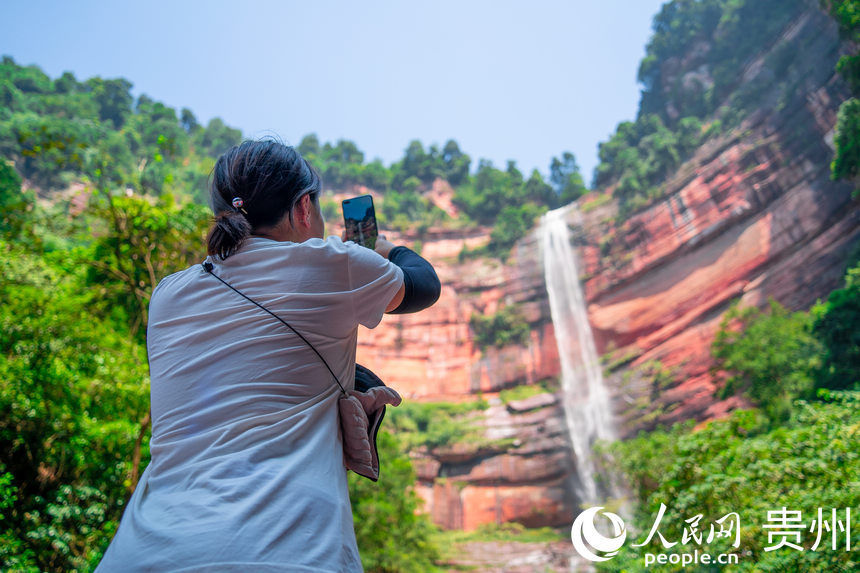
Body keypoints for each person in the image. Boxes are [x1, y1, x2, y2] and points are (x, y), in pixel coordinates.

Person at [96, 140, 441, 572]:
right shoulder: (332, 263)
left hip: (143, 552)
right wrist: (382, 248)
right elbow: (424, 285)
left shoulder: (168, 294)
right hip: (283, 550)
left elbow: (252, 370)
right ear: (302, 208)